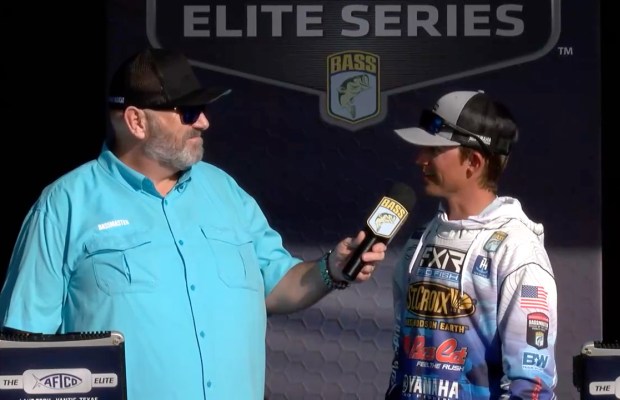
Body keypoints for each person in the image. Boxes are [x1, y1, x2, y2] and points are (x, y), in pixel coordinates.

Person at [0, 47, 386, 400]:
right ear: (136, 121)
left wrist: (332, 269)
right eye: (188, 112)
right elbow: (25, 347)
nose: (203, 122)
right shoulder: (64, 205)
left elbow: (275, 285)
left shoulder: (226, 191)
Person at [385, 90, 558, 399]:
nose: (420, 159)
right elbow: (401, 362)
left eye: (433, 149)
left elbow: (531, 387)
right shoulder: (419, 240)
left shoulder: (516, 251)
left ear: (473, 162)